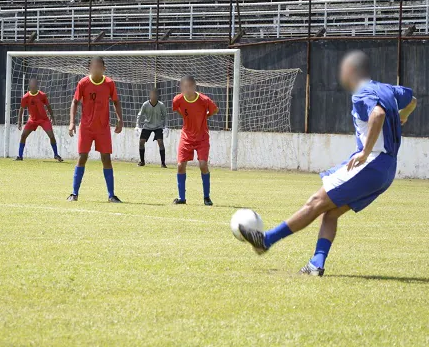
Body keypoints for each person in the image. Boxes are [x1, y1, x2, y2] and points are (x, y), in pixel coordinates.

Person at [236, 50, 417, 276]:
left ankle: (266, 240)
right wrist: (405, 114)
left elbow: (378, 114)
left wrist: (365, 153)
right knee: (330, 213)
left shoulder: (362, 93)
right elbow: (412, 99)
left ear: (351, 71)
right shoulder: (388, 89)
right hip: (387, 170)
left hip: (372, 163)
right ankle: (315, 265)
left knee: (315, 201)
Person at [68, 57, 124, 203]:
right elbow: (74, 102)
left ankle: (111, 195)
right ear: (89, 68)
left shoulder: (109, 83)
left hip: (103, 128)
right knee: (82, 157)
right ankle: (74, 193)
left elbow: (116, 102)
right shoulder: (83, 83)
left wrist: (120, 119)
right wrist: (72, 122)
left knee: (106, 159)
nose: (96, 68)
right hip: (86, 128)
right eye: (94, 66)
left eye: (99, 66)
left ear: (104, 68)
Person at [172, 76, 218, 206]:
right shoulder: (177, 100)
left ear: (194, 87)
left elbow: (215, 109)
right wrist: (187, 119)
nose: (186, 89)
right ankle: (182, 198)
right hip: (186, 137)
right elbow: (178, 110)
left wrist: (205, 116)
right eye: (184, 87)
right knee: (180, 165)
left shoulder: (204, 100)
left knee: (203, 165)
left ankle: (206, 197)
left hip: (202, 137)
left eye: (189, 87)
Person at [15, 78, 63, 162]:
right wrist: (19, 122)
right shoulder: (25, 97)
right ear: (29, 86)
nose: (33, 86)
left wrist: (52, 117)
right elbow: (21, 109)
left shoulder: (42, 95)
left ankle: (56, 154)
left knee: (51, 136)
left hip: (44, 119)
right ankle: (20, 156)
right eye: (31, 84)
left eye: (34, 84)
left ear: (37, 86)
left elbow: (48, 106)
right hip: (32, 120)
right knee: (23, 136)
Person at [135, 88, 168, 168]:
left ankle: (163, 163)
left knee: (160, 142)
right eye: (152, 94)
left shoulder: (161, 105)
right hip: (147, 126)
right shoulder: (145, 104)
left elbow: (165, 116)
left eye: (155, 94)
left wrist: (166, 127)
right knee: (141, 142)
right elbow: (140, 115)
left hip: (158, 126)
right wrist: (137, 125)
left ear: (157, 96)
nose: (153, 96)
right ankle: (142, 161)